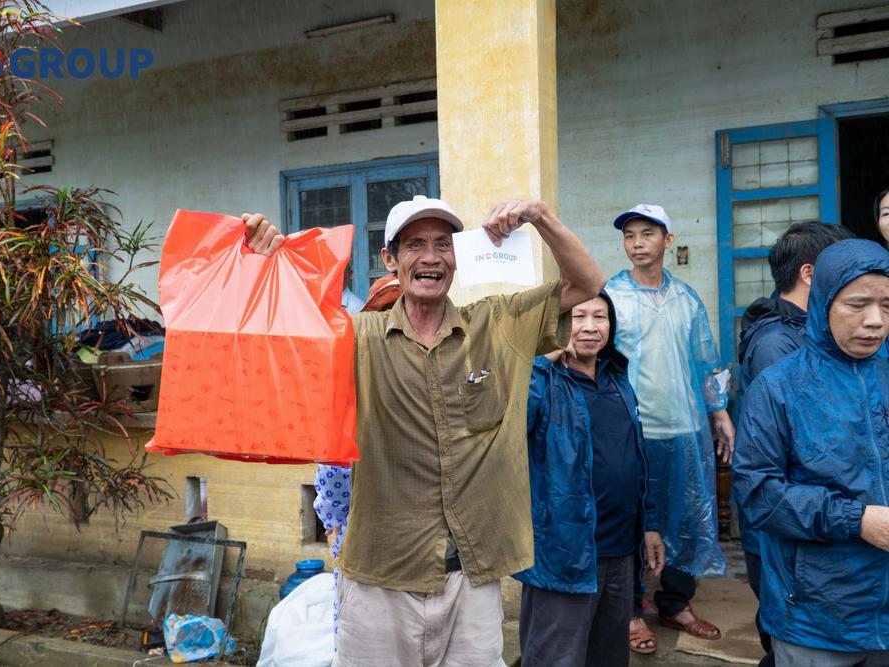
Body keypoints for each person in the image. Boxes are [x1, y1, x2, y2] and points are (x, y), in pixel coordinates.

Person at [244, 195, 605, 666]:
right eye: (414, 244)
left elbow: (587, 282)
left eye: (443, 244)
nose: (431, 257)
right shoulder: (359, 338)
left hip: (471, 580)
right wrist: (267, 262)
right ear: (390, 260)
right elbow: (275, 333)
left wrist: (539, 217)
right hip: (379, 580)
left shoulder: (497, 325)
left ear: (458, 257)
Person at [733, 238, 889, 667]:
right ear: (822, 302)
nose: (875, 321)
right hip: (816, 616)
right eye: (858, 304)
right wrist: (856, 520)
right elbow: (758, 493)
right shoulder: (779, 386)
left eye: (887, 305)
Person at [603, 204, 734, 650]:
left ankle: (676, 603)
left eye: (647, 234)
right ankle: (632, 611)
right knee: (633, 518)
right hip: (631, 431)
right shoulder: (612, 296)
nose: (637, 243)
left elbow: (706, 359)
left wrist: (718, 411)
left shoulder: (687, 299)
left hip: (683, 431)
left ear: (668, 241)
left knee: (684, 517)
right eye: (629, 236)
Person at [515, 293, 665, 666]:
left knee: (609, 658)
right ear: (558, 325)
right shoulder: (543, 378)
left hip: (619, 552)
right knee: (555, 658)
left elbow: (636, 456)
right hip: (564, 557)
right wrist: (542, 358)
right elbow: (512, 423)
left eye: (600, 317)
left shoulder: (617, 378)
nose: (589, 327)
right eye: (577, 316)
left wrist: (649, 524)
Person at [313, 273, 402, 650]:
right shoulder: (351, 390)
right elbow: (332, 480)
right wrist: (339, 539)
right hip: (364, 558)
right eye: (387, 317)